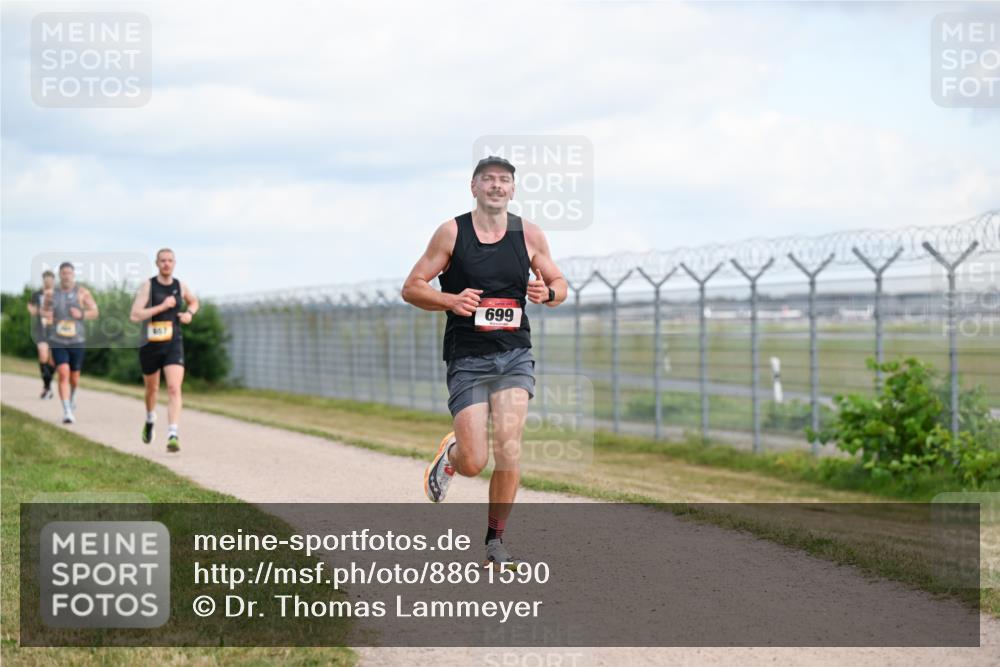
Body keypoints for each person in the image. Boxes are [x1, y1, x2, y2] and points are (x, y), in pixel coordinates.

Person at [401, 155, 567, 568]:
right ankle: (454, 454)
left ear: (512, 189)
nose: (496, 186)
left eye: (504, 181)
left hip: (514, 353)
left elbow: (561, 285)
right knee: (475, 462)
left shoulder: (528, 234)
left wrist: (546, 294)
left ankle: (495, 541)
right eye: (488, 180)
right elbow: (412, 287)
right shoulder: (451, 233)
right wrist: (449, 300)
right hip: (468, 356)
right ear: (473, 187)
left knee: (509, 446)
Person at [129, 248, 199, 452]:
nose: (166, 264)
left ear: (174, 263)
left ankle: (173, 434)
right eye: (163, 261)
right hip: (150, 345)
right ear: (157, 263)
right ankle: (150, 418)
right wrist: (161, 307)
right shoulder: (148, 286)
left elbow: (194, 302)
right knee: (152, 389)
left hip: (173, 343)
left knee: (174, 388)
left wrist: (189, 314)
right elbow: (134, 315)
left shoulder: (180, 285)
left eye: (170, 260)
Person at [49, 262, 99, 424]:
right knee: (63, 372)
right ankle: (67, 411)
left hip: (77, 340)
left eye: (69, 273)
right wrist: (48, 318)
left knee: (74, 377)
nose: (66, 276)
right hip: (58, 340)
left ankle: (73, 396)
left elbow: (95, 312)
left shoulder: (82, 292)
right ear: (60, 275)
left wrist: (81, 314)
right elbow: (44, 312)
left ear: (73, 275)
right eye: (63, 273)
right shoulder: (52, 294)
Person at [26, 270, 56, 398]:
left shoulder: (59, 294)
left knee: (53, 361)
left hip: (56, 331)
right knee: (43, 355)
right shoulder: (37, 294)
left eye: (50, 280)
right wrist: (39, 311)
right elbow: (31, 308)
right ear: (43, 280)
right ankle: (47, 387)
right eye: (46, 280)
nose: (48, 282)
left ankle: (47, 386)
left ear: (53, 281)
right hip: (41, 330)